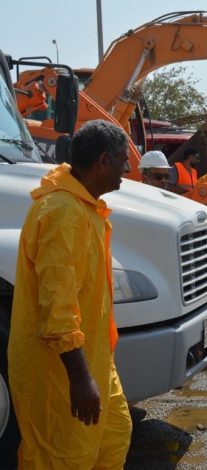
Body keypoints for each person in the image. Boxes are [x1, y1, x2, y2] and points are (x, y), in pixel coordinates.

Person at [8, 120, 133, 468]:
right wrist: (79, 379)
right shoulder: (62, 213)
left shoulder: (84, 207)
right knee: (64, 457)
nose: (128, 167)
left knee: (113, 438)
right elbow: (58, 307)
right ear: (104, 160)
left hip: (94, 359)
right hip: (57, 374)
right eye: (125, 159)